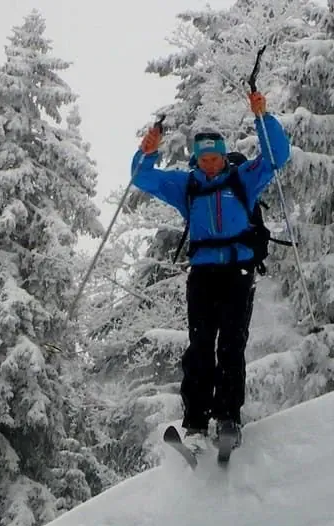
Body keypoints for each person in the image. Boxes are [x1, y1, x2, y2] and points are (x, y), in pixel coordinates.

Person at [129, 91, 291, 453]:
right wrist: (148, 150)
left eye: (216, 156)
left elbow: (277, 156)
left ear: (223, 155)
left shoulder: (243, 178)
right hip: (202, 274)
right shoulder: (185, 185)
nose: (211, 163)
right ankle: (196, 424)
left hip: (239, 270)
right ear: (196, 159)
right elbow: (141, 177)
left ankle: (228, 418)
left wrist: (263, 118)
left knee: (231, 344)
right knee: (201, 345)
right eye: (205, 158)